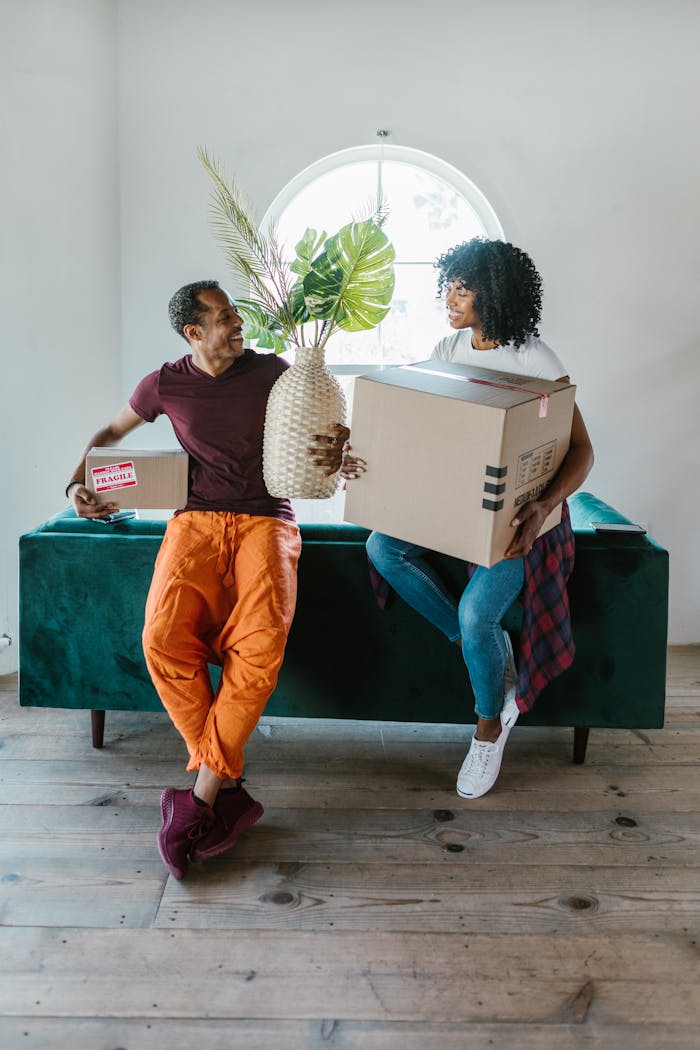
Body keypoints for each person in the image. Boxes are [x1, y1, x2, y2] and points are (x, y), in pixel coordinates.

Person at [311, 238, 594, 800]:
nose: (450, 297)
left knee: (475, 616)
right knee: (381, 548)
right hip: (453, 506)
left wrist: (541, 509)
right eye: (449, 284)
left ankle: (489, 726)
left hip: (520, 523)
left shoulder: (535, 360)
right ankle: (475, 651)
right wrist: (365, 454)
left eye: (462, 287)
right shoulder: (447, 345)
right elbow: (428, 431)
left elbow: (581, 449)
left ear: (494, 293)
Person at [66, 280, 303, 880]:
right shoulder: (163, 383)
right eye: (225, 317)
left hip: (266, 520)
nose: (239, 322)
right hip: (193, 521)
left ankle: (197, 803)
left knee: (260, 648)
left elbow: (316, 434)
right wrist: (76, 483)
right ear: (194, 332)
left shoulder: (274, 371)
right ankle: (226, 790)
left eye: (236, 312)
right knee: (161, 642)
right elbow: (112, 436)